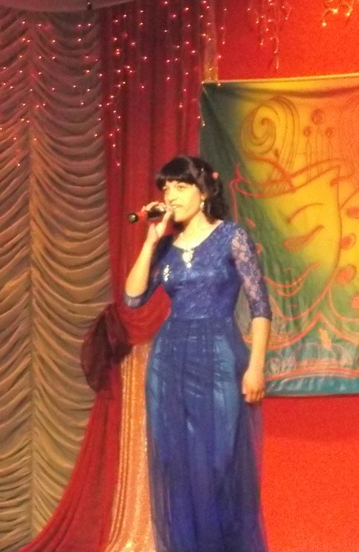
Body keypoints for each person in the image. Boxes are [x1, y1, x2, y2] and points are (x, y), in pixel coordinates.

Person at [124, 154, 272, 552]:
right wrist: (151, 241)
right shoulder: (165, 247)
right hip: (170, 361)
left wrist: (256, 367)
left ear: (203, 190)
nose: (170, 196)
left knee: (219, 464)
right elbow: (133, 298)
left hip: (220, 357)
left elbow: (260, 307)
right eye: (165, 188)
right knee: (178, 467)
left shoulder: (231, 237)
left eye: (180, 186)